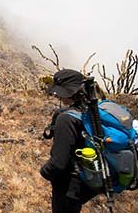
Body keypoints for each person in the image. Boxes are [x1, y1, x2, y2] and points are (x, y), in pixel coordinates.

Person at [40, 69, 98, 213]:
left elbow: (58, 163)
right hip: (84, 180)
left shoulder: (66, 119)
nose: (56, 94)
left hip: (68, 186)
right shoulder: (89, 110)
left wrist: (44, 171)